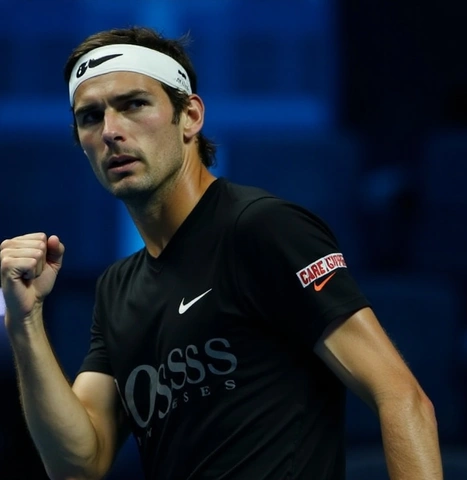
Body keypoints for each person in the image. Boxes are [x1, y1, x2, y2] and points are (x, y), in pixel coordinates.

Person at [0, 27, 442, 480]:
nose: (111, 131)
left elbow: (401, 397)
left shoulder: (262, 228)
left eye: (134, 104)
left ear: (189, 116)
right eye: (91, 116)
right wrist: (25, 321)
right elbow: (78, 465)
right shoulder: (117, 288)